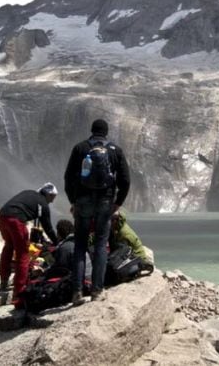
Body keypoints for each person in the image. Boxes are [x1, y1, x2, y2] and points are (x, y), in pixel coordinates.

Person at [64, 118, 130, 305]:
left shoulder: (80, 148)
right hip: (105, 201)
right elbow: (125, 180)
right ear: (106, 132)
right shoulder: (115, 150)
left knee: (80, 246)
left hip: (82, 201)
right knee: (101, 245)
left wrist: (73, 201)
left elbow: (68, 177)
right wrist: (118, 203)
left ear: (92, 130)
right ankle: (97, 291)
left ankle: (77, 292)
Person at [0, 183, 59, 304]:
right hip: (16, 220)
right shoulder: (43, 204)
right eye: (52, 198)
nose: (52, 201)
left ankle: (3, 280)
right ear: (49, 194)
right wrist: (57, 242)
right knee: (23, 254)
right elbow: (48, 228)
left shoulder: (29, 193)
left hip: (2, 216)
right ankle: (19, 292)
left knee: (8, 246)